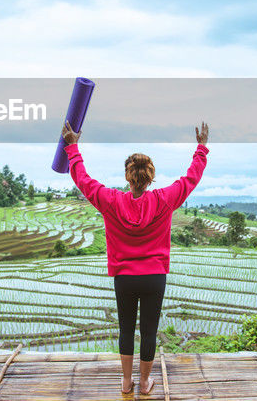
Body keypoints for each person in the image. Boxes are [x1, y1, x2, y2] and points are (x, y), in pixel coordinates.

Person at [61, 120, 209, 396]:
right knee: (149, 332)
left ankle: (126, 382)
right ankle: (144, 384)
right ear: (150, 178)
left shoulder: (111, 200)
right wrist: (200, 148)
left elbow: (83, 180)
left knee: (126, 330)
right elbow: (190, 180)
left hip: (124, 277)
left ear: (129, 178)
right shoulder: (164, 199)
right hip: (154, 277)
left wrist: (72, 148)